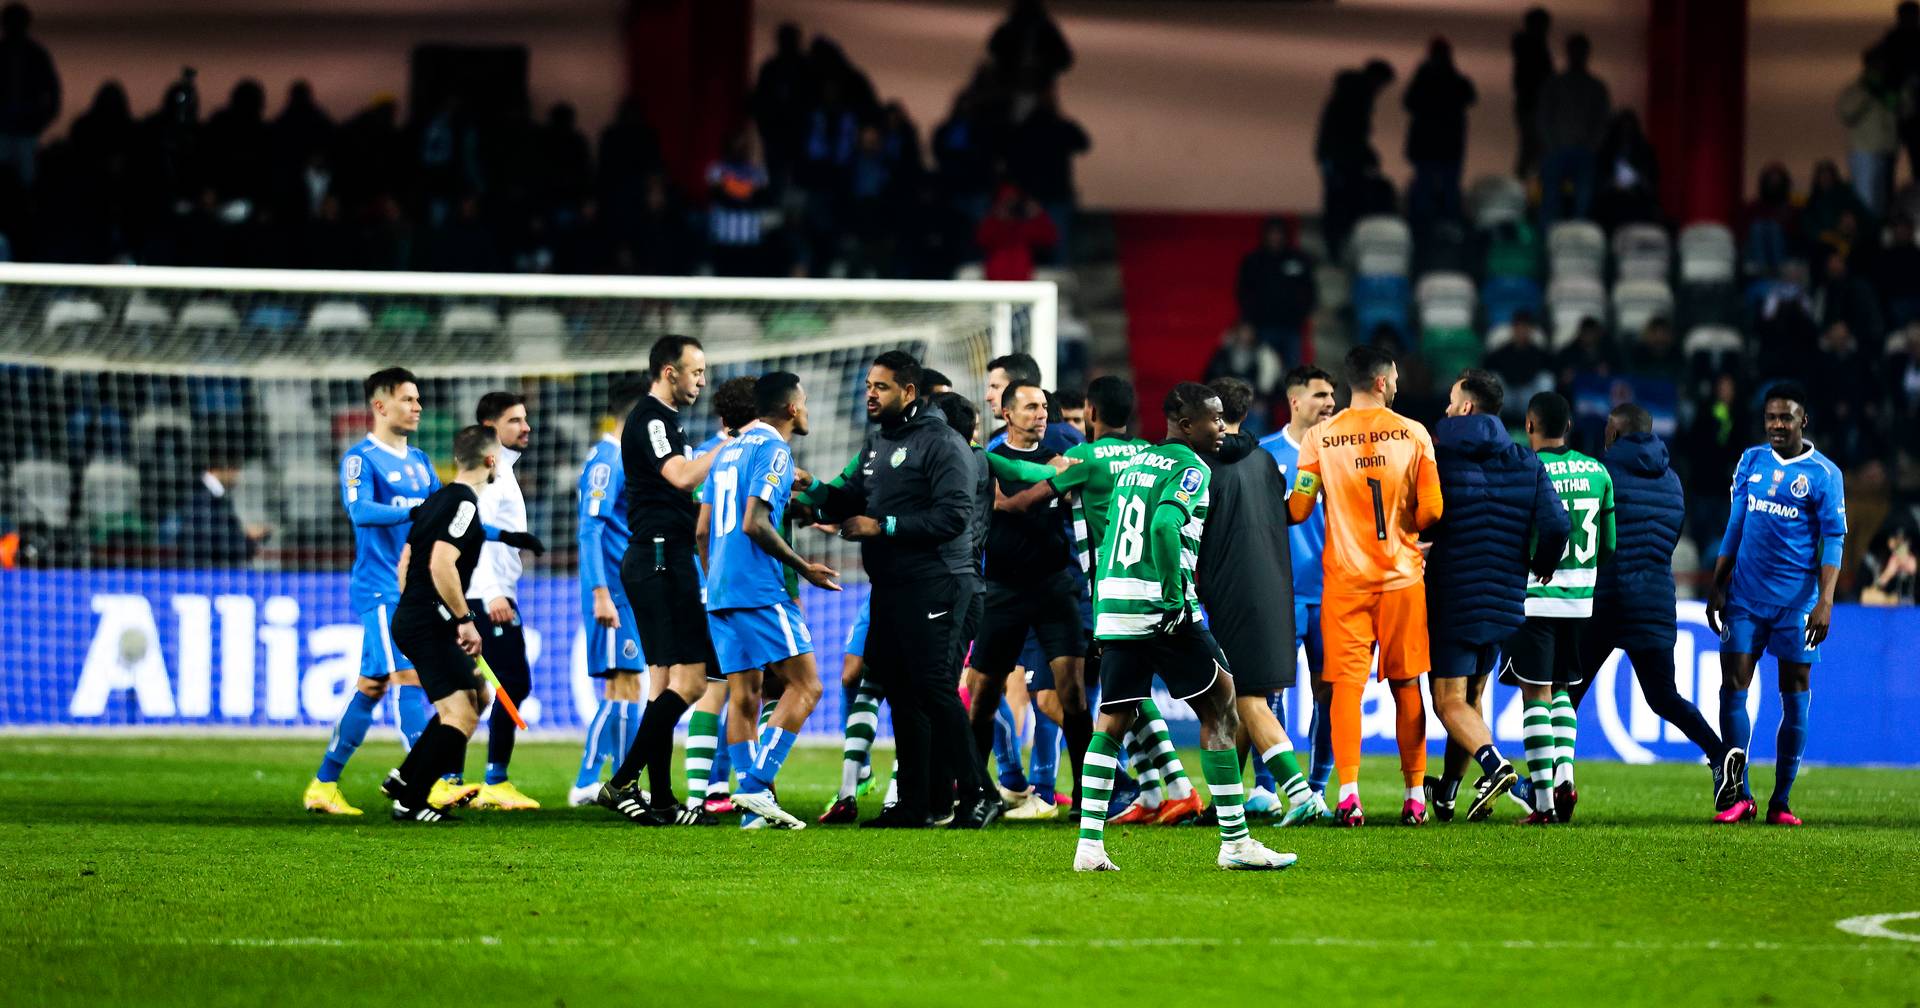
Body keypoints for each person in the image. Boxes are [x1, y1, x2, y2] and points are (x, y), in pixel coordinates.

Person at [1074, 382, 1295, 872]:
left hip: (1115, 605)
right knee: (1223, 705)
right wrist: (1175, 595)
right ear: (1185, 423)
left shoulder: (1135, 463)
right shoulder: (1190, 467)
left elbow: (1111, 533)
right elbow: (1164, 526)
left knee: (1110, 722)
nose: (1221, 427)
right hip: (1162, 606)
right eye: (1213, 419)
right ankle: (1236, 843)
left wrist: (1105, 608)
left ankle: (1089, 846)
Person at [998, 376, 1206, 825]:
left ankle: (1169, 789)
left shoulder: (1084, 459)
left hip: (1105, 591)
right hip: (1154, 582)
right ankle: (1154, 791)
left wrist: (987, 486)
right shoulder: (1150, 455)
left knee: (1108, 695)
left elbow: (1024, 503)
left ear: (1091, 412)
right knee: (1125, 691)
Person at [815, 351, 987, 828]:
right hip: (889, 589)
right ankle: (913, 805)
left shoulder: (943, 443)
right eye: (869, 385)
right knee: (901, 692)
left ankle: (977, 794)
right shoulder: (876, 446)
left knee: (933, 687)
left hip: (937, 584)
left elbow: (954, 517)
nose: (871, 393)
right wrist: (812, 492)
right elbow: (845, 500)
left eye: (882, 387)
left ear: (909, 392)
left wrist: (883, 526)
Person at [1286, 346, 1444, 826]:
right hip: (1401, 579)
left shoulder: (1320, 438)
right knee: (1407, 686)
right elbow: (1433, 511)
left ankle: (1349, 795)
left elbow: (1298, 509)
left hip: (1345, 584)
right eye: (1394, 376)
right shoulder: (1415, 434)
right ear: (1381, 381)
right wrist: (1409, 528)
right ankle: (1415, 796)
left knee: (1345, 690)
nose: (1397, 383)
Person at [1568, 403, 1746, 814]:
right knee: (1664, 696)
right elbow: (1670, 536)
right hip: (1655, 598)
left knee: (1567, 695)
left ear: (1614, 433)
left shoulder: (1602, 473)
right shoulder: (1672, 481)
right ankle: (1720, 755)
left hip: (1607, 597)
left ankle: (1557, 783)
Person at [1423, 370, 1568, 822]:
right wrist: (1541, 562)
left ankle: (1496, 765)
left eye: (1451, 400)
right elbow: (1559, 525)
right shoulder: (1526, 460)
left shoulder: (1437, 453)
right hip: (1505, 595)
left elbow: (1423, 514)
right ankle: (1446, 791)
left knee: (1447, 702)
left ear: (1466, 407)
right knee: (1470, 699)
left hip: (1452, 594)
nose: (1447, 408)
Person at [699, 372, 839, 829]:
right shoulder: (772, 449)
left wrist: (715, 577)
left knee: (745, 697)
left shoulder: (727, 451)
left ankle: (752, 817)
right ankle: (757, 786)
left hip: (719, 590)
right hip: (758, 588)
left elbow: (701, 530)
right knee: (807, 686)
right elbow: (755, 523)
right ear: (792, 409)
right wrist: (804, 567)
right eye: (805, 402)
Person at [597, 336, 727, 826]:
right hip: (658, 560)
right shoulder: (652, 418)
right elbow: (679, 477)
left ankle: (664, 800)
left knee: (663, 687)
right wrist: (731, 446)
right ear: (669, 372)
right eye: (695, 371)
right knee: (691, 683)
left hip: (660, 558)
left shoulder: (667, 422)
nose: (701, 380)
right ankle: (622, 781)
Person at [1706, 383, 1846, 826]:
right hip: (1746, 598)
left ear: (1803, 420)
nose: (1777, 426)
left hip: (1797, 604)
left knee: (1795, 694)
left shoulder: (1824, 473)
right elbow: (1736, 523)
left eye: (1786, 418)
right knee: (1734, 685)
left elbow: (1833, 540)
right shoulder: (1751, 461)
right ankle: (1738, 792)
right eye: (1771, 418)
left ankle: (1780, 800)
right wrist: (1718, 582)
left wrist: (1825, 601)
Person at [303, 369, 441, 816]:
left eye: (418, 399)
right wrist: (419, 510)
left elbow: (440, 512)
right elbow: (360, 511)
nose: (417, 406)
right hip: (381, 587)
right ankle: (426, 783)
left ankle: (324, 784)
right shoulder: (361, 459)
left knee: (372, 685)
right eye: (407, 399)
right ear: (380, 406)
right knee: (409, 678)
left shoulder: (420, 460)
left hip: (413, 588)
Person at [1197, 377, 1323, 827]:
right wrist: (1311, 473)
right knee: (1241, 700)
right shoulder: (1266, 459)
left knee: (1245, 700)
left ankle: (1300, 792)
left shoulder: (1201, 466)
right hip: (1276, 588)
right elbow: (1294, 512)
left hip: (1231, 594)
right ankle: (1227, 804)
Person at [967, 380, 1090, 821]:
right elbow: (1004, 503)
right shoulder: (990, 460)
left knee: (1072, 695)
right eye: (1031, 407)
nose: (1041, 414)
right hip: (1001, 590)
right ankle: (977, 794)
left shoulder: (1061, 458)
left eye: (1043, 407)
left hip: (1055, 589)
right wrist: (1057, 477)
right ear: (1007, 413)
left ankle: (1084, 798)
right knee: (982, 697)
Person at [378, 426, 501, 821]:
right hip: (430, 619)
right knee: (461, 715)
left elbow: (406, 562)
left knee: (479, 696)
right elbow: (440, 563)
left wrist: (420, 607)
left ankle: (406, 777)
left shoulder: (436, 500)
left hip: (419, 616)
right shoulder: (465, 503)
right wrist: (462, 619)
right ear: (490, 460)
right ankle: (411, 801)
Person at [1502, 391, 1614, 824]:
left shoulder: (1526, 469)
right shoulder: (1597, 472)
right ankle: (1565, 775)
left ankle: (1544, 802)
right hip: (1580, 598)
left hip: (1534, 596)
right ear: (1568, 426)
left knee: (1536, 694)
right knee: (1565, 689)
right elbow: (1609, 546)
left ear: (1529, 426)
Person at [1256, 366, 1339, 821]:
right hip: (1278, 593)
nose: (1330, 403)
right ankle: (1267, 788)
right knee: (1270, 693)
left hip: (1332, 593)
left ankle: (1318, 787)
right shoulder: (1265, 455)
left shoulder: (1345, 453)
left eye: (1332, 396)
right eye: (1321, 395)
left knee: (1330, 693)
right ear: (1294, 402)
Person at [568, 382, 649, 807]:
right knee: (624, 686)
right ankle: (585, 779)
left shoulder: (618, 458)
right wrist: (600, 591)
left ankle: (621, 780)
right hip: (614, 589)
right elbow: (590, 530)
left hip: (623, 587)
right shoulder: (608, 459)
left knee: (627, 686)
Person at [465, 392, 540, 810]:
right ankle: (493, 780)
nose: (525, 427)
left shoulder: (503, 469)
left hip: (494, 592)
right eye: (515, 420)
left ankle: (458, 777)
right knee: (511, 684)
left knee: (485, 688)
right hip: (486, 595)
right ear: (492, 427)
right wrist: (492, 590)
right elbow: (474, 534)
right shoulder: (490, 473)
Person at [1316, 59, 1396, 260]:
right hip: (1339, 157)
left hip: (1338, 156)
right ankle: (1337, 245)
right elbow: (1351, 132)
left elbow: (1351, 132)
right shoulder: (1358, 95)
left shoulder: (1351, 93)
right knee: (1341, 200)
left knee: (1339, 199)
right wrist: (1366, 154)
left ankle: (1337, 244)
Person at [1402, 37, 1476, 236]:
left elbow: (1408, 103)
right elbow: (1470, 97)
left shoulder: (1423, 79)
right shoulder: (1455, 79)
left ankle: (1421, 228)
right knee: (1449, 187)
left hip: (1426, 144)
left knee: (1424, 186)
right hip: (1449, 144)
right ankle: (1449, 227)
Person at [1536, 33, 1610, 228]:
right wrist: (1551, 143)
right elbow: (1544, 116)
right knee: (1552, 198)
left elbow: (1602, 119)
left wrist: (1592, 145)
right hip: (1559, 149)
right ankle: (1550, 238)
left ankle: (1577, 236)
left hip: (1582, 150)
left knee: (1582, 199)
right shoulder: (1555, 84)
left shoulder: (1595, 87)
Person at [1235, 217, 1318, 366]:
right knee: (1266, 373)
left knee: (1294, 375)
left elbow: (1309, 290)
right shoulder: (1254, 261)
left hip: (1292, 327)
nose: (1275, 237)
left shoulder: (1299, 260)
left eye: (1278, 233)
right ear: (1265, 235)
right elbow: (1244, 293)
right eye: (1271, 233)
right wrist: (1248, 321)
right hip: (1264, 327)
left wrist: (1304, 313)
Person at [0, 3, 58, 188]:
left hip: (26, 128)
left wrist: (41, 120)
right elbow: (53, 91)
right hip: (5, 127)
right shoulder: (35, 54)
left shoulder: (37, 55)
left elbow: (52, 91)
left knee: (26, 180)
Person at [1511, 7, 1553, 178]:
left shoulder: (1528, 46)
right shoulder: (1533, 47)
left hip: (1530, 104)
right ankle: (1528, 191)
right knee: (1533, 150)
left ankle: (1527, 190)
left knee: (1532, 150)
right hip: (1532, 105)